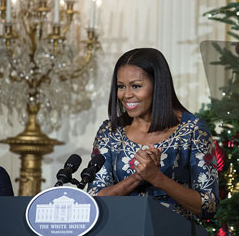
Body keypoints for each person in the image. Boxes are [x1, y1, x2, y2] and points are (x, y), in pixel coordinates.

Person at [87, 48, 219, 220]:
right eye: (121, 86)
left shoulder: (193, 130)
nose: (126, 95)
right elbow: (94, 199)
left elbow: (208, 205)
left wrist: (157, 178)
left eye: (136, 86)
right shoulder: (110, 132)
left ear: (158, 86)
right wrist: (137, 177)